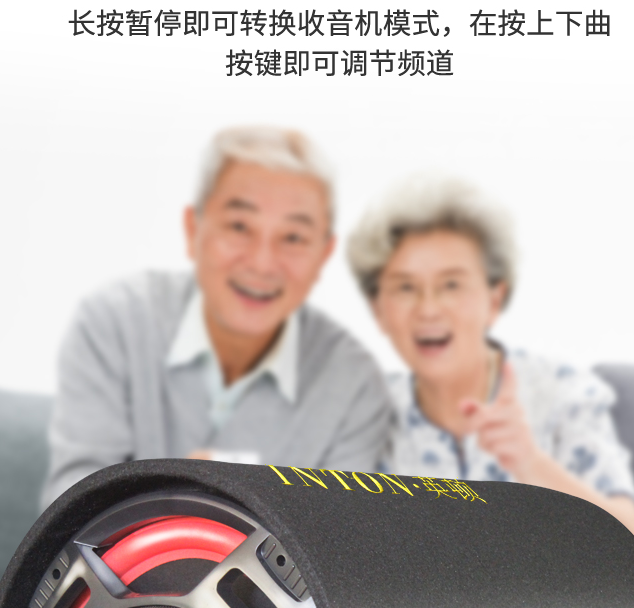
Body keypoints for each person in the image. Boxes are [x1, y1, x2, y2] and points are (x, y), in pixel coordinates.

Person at [347, 177, 634, 608]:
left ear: (494, 298)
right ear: (379, 310)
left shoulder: (560, 391)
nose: (428, 308)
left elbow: (632, 537)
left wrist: (528, 461)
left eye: (451, 285)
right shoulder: (368, 415)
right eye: (404, 287)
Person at [41, 127, 392, 508]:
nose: (262, 263)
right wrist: (190, 498)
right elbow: (68, 513)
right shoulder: (114, 324)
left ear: (323, 255)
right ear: (193, 229)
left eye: (293, 238)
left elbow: (340, 533)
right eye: (239, 227)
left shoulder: (355, 384)